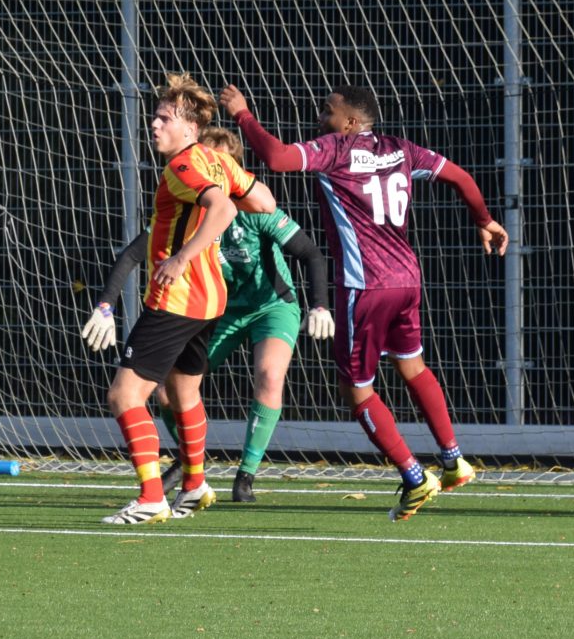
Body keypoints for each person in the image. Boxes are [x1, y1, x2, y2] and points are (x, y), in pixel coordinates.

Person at [222, 83, 508, 521]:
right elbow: (461, 178)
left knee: (355, 388)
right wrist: (484, 220)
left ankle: (414, 476)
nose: (321, 118)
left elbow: (276, 158)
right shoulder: (401, 149)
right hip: (407, 279)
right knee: (412, 366)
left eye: (328, 112)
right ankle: (454, 460)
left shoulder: (335, 150)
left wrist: (243, 115)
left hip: (364, 287)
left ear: (351, 122)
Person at [85, 125, 330, 503]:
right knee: (170, 392)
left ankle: (245, 476)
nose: (207, 171)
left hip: (270, 306)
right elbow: (132, 254)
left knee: (269, 375)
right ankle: (190, 464)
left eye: (217, 164)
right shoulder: (186, 214)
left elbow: (310, 252)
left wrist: (320, 304)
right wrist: (105, 305)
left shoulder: (256, 214)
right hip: (220, 310)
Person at [97, 73, 276, 526]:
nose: (155, 125)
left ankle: (151, 497)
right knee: (182, 391)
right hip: (210, 299)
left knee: (124, 395)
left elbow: (225, 208)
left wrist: (182, 256)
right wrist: (216, 202)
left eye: (165, 119)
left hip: (175, 298)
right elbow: (264, 202)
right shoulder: (217, 161)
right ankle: (194, 484)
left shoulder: (182, 166)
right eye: (155, 117)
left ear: (191, 128)